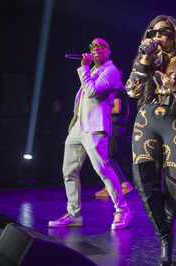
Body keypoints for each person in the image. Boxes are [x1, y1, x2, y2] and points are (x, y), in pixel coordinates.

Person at [126, 15, 176, 265]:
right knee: (144, 179)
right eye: (152, 33)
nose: (156, 37)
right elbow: (131, 91)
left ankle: (167, 223)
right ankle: (164, 238)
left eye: (161, 32)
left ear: (173, 33)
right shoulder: (148, 59)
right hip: (147, 119)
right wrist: (144, 61)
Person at [48, 38, 132, 230]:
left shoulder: (111, 71)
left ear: (108, 51)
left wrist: (83, 68)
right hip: (79, 126)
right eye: (93, 47)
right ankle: (74, 214)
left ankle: (122, 209)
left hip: (95, 126)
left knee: (103, 169)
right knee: (68, 171)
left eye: (101, 46)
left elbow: (92, 91)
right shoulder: (93, 70)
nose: (96, 49)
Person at [95, 71, 134, 198]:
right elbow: (126, 112)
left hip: (114, 125)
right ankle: (110, 187)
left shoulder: (116, 90)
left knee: (108, 156)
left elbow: (117, 108)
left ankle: (123, 184)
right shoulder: (124, 90)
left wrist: (102, 108)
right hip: (121, 125)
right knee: (114, 157)